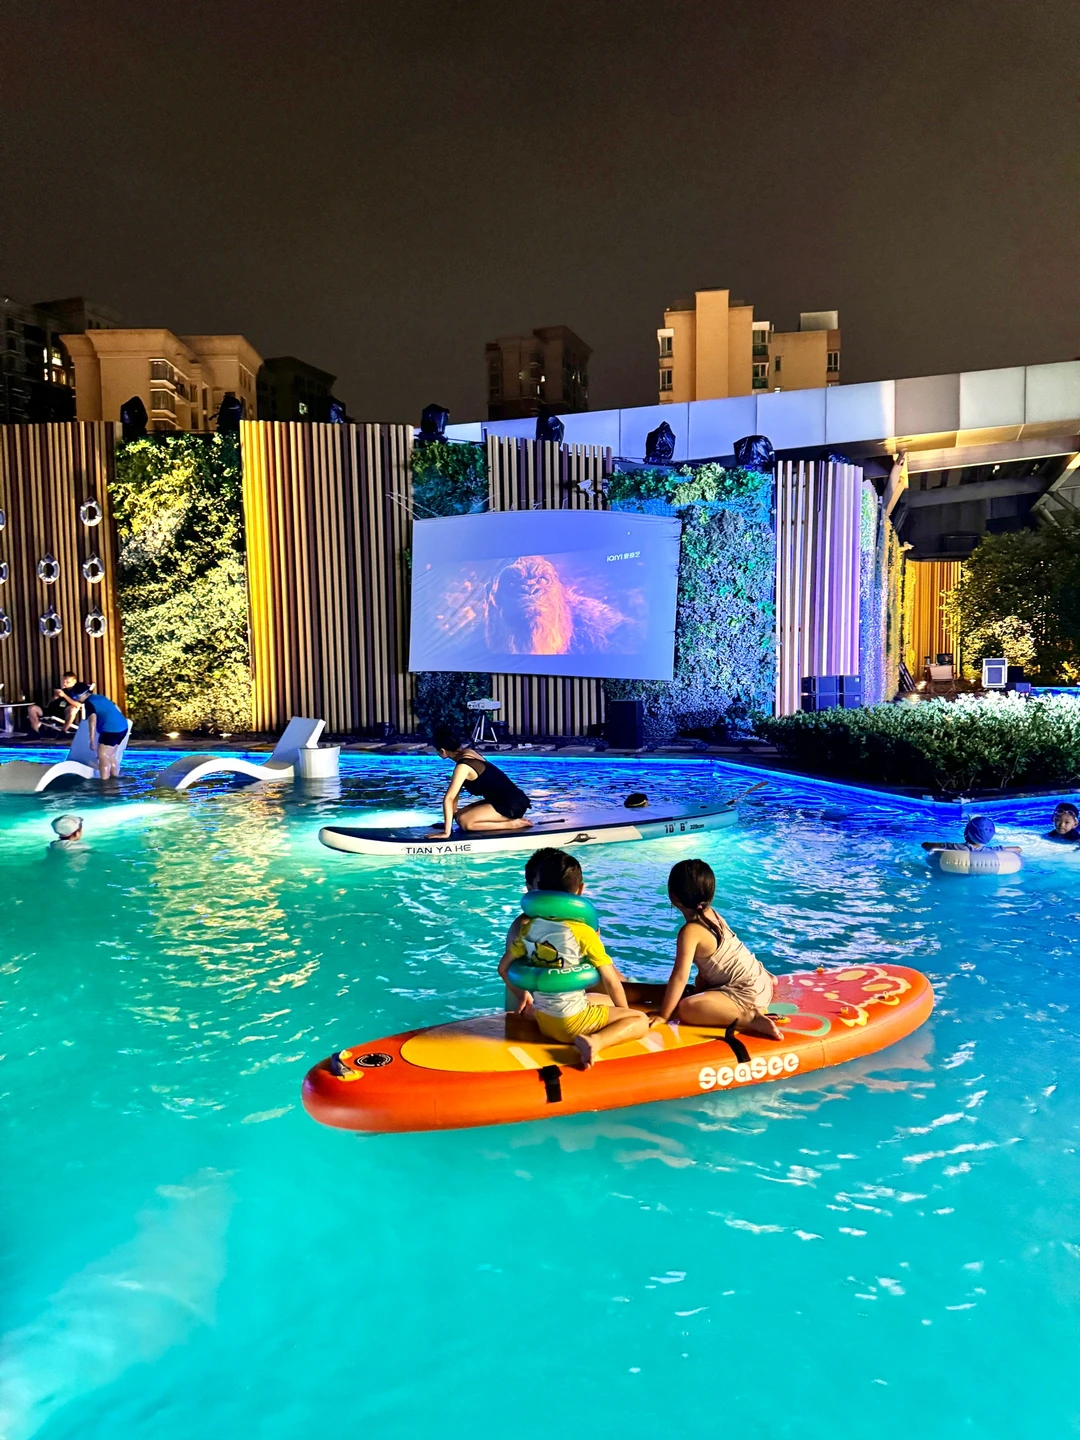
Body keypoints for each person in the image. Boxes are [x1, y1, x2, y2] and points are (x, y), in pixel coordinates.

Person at [498, 847, 648, 1068]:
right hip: (571, 1022)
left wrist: (523, 997)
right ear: (580, 890)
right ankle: (595, 1042)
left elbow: (503, 969)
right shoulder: (582, 932)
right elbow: (611, 980)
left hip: (542, 1017)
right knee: (639, 1019)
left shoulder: (527, 929)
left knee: (598, 999)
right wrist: (625, 1012)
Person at [650, 858, 782, 1040]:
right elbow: (707, 970)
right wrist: (699, 992)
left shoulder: (690, 931)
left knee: (687, 1008)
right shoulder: (712, 915)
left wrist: (664, 1015)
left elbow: (679, 977)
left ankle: (750, 1018)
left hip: (749, 996)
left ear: (673, 896)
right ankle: (763, 986)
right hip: (762, 980)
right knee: (696, 993)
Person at [428, 723, 532, 836]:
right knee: (458, 816)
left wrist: (446, 833)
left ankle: (512, 824)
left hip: (511, 806)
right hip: (506, 800)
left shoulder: (463, 767)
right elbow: (454, 798)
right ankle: (506, 820)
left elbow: (448, 799)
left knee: (464, 822)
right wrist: (448, 825)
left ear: (443, 751)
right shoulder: (469, 753)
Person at [71, 684, 128, 780]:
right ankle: (115, 778)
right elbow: (116, 708)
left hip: (111, 729)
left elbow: (92, 720)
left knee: (103, 756)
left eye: (76, 697)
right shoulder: (100, 697)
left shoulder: (88, 703)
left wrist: (92, 740)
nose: (76, 699)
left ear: (83, 694)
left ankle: (104, 782)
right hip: (123, 726)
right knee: (111, 755)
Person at [921, 815, 1020, 854]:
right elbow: (1018, 849)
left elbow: (925, 845)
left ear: (967, 832)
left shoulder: (956, 847)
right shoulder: (991, 850)